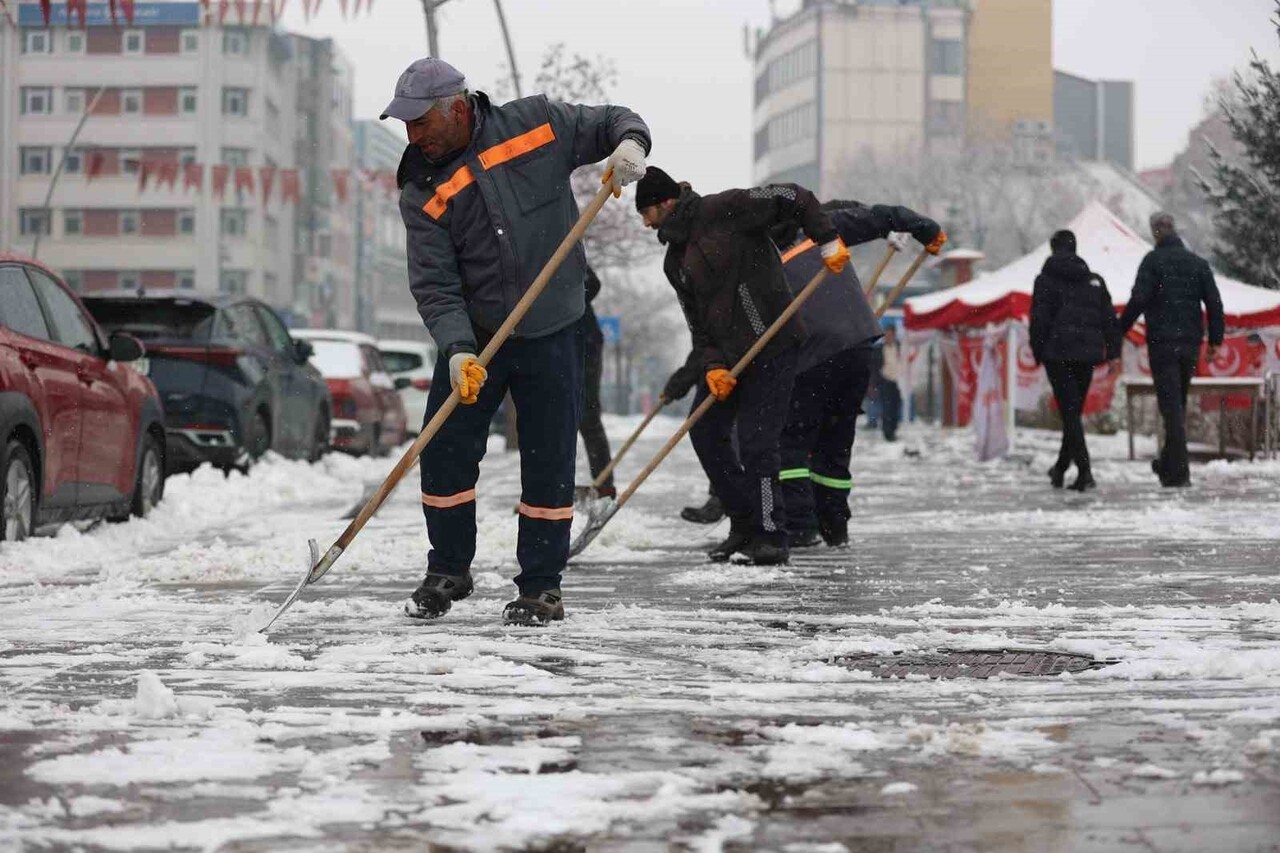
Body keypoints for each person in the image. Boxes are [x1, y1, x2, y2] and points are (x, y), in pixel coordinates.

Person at [385, 57, 650, 625]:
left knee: (549, 456)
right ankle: (449, 568)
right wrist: (457, 349)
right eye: (406, 125)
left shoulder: (536, 123)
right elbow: (434, 282)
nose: (414, 136)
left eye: (421, 122)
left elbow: (614, 120)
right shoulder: (420, 186)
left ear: (456, 108)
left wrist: (630, 144)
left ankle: (540, 584)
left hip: (554, 324)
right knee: (447, 451)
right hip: (477, 338)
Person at [639, 167, 849, 565]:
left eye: (646, 213)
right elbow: (697, 324)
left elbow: (795, 195)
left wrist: (827, 239)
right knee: (704, 430)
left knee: (757, 442)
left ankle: (772, 533)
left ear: (665, 203)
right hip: (729, 357)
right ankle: (744, 523)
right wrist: (713, 366)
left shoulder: (728, 208)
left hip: (773, 342)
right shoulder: (675, 262)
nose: (646, 224)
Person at [769, 199, 944, 547]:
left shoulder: (767, 258)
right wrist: (923, 227)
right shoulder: (823, 233)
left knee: (792, 440)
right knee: (835, 442)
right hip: (858, 347)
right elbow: (876, 215)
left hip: (813, 353)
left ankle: (802, 528)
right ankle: (835, 527)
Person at [1118, 212, 1224, 488]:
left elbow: (1139, 299)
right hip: (1190, 343)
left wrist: (1117, 330)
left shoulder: (1152, 262)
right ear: (1175, 231)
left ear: (1155, 232)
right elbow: (1214, 303)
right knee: (1177, 404)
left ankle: (1179, 473)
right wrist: (1215, 340)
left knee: (1171, 407)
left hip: (1162, 343)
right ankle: (1168, 464)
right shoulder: (1197, 264)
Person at [1029, 229, 1120, 492]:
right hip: (1088, 356)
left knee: (1070, 414)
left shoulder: (1045, 280)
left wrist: (1038, 352)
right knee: (1073, 413)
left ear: (1053, 249)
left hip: (1058, 355)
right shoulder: (1094, 281)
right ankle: (1060, 468)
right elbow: (1109, 319)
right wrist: (1113, 352)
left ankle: (1085, 473)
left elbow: (1039, 319)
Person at [577, 266, 615, 498]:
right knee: (549, 417)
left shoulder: (560, 239)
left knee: (587, 415)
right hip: (546, 340)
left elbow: (593, 283)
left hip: (583, 341)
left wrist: (560, 297)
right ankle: (548, 487)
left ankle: (604, 484)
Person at [877, 325, 903, 442]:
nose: (888, 337)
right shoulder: (879, 349)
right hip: (885, 380)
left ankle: (893, 428)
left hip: (898, 380)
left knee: (895, 406)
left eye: (891, 334)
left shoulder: (900, 347)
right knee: (886, 407)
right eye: (886, 334)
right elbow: (874, 366)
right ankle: (887, 432)